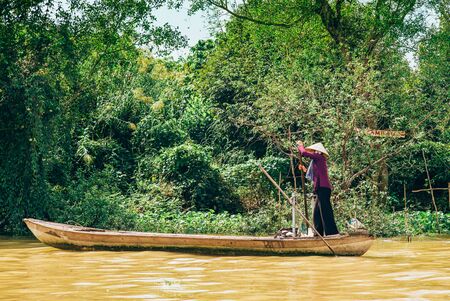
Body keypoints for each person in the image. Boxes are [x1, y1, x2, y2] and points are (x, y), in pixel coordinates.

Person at [296, 141, 339, 237]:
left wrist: (300, 146)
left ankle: (332, 233)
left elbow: (304, 153)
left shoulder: (320, 157)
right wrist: (304, 169)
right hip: (320, 189)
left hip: (323, 188)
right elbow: (314, 174)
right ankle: (318, 233)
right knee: (317, 213)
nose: (313, 152)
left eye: (314, 151)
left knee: (325, 211)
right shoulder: (316, 161)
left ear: (318, 151)